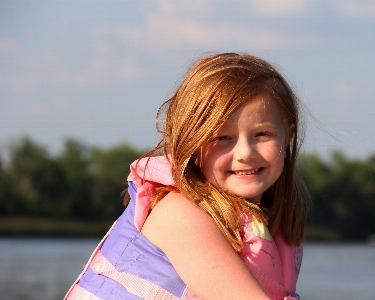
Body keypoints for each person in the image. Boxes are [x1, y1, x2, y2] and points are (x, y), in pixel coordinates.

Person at [65, 53, 311, 300]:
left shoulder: (275, 225)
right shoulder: (179, 215)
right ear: (193, 147)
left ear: (287, 137)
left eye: (262, 134)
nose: (245, 153)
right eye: (223, 138)